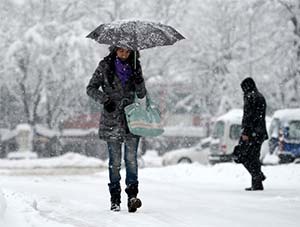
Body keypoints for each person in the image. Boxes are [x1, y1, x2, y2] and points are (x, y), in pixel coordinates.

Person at [86, 45, 147, 212]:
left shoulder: (135, 66)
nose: (124, 54)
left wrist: (138, 79)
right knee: (114, 162)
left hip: (131, 120)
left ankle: (132, 196)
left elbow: (141, 94)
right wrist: (106, 100)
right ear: (114, 50)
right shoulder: (105, 66)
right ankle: (115, 198)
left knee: (131, 160)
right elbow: (90, 88)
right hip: (111, 119)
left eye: (127, 51)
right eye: (120, 50)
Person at [240, 77, 268, 191]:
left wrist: (246, 132)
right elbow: (258, 116)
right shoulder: (260, 96)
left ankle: (258, 177)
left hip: (252, 133)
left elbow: (248, 116)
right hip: (259, 133)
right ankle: (257, 183)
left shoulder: (250, 96)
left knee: (244, 156)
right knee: (254, 157)